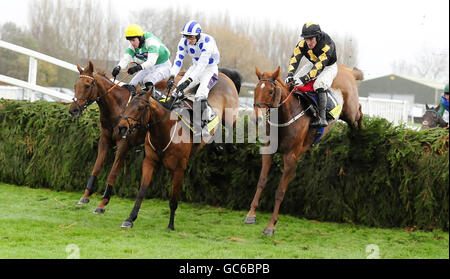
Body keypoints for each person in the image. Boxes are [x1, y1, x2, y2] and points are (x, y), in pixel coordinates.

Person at [165, 20, 220, 137]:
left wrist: (188, 80)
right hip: (195, 67)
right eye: (186, 37)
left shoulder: (208, 41)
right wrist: (172, 76)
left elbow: (202, 64)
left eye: (191, 37)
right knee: (175, 92)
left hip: (209, 69)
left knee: (200, 96)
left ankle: (206, 124)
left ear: (198, 35)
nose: (188, 40)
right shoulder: (183, 42)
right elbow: (178, 61)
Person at [285, 22, 338, 128]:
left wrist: (304, 79)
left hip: (328, 67)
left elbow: (319, 67)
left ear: (317, 37)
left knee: (319, 84)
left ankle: (322, 118)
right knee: (293, 82)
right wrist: (290, 74)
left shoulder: (327, 45)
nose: (308, 42)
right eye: (306, 39)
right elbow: (294, 58)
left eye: (311, 39)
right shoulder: (302, 44)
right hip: (313, 64)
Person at [111, 24, 171, 96]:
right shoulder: (133, 46)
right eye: (130, 41)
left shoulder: (151, 42)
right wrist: (118, 67)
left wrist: (137, 68)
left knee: (148, 80)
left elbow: (151, 61)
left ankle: (156, 101)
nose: (132, 43)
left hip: (163, 65)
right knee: (132, 84)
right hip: (149, 67)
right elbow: (126, 58)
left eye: (133, 40)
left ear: (140, 38)